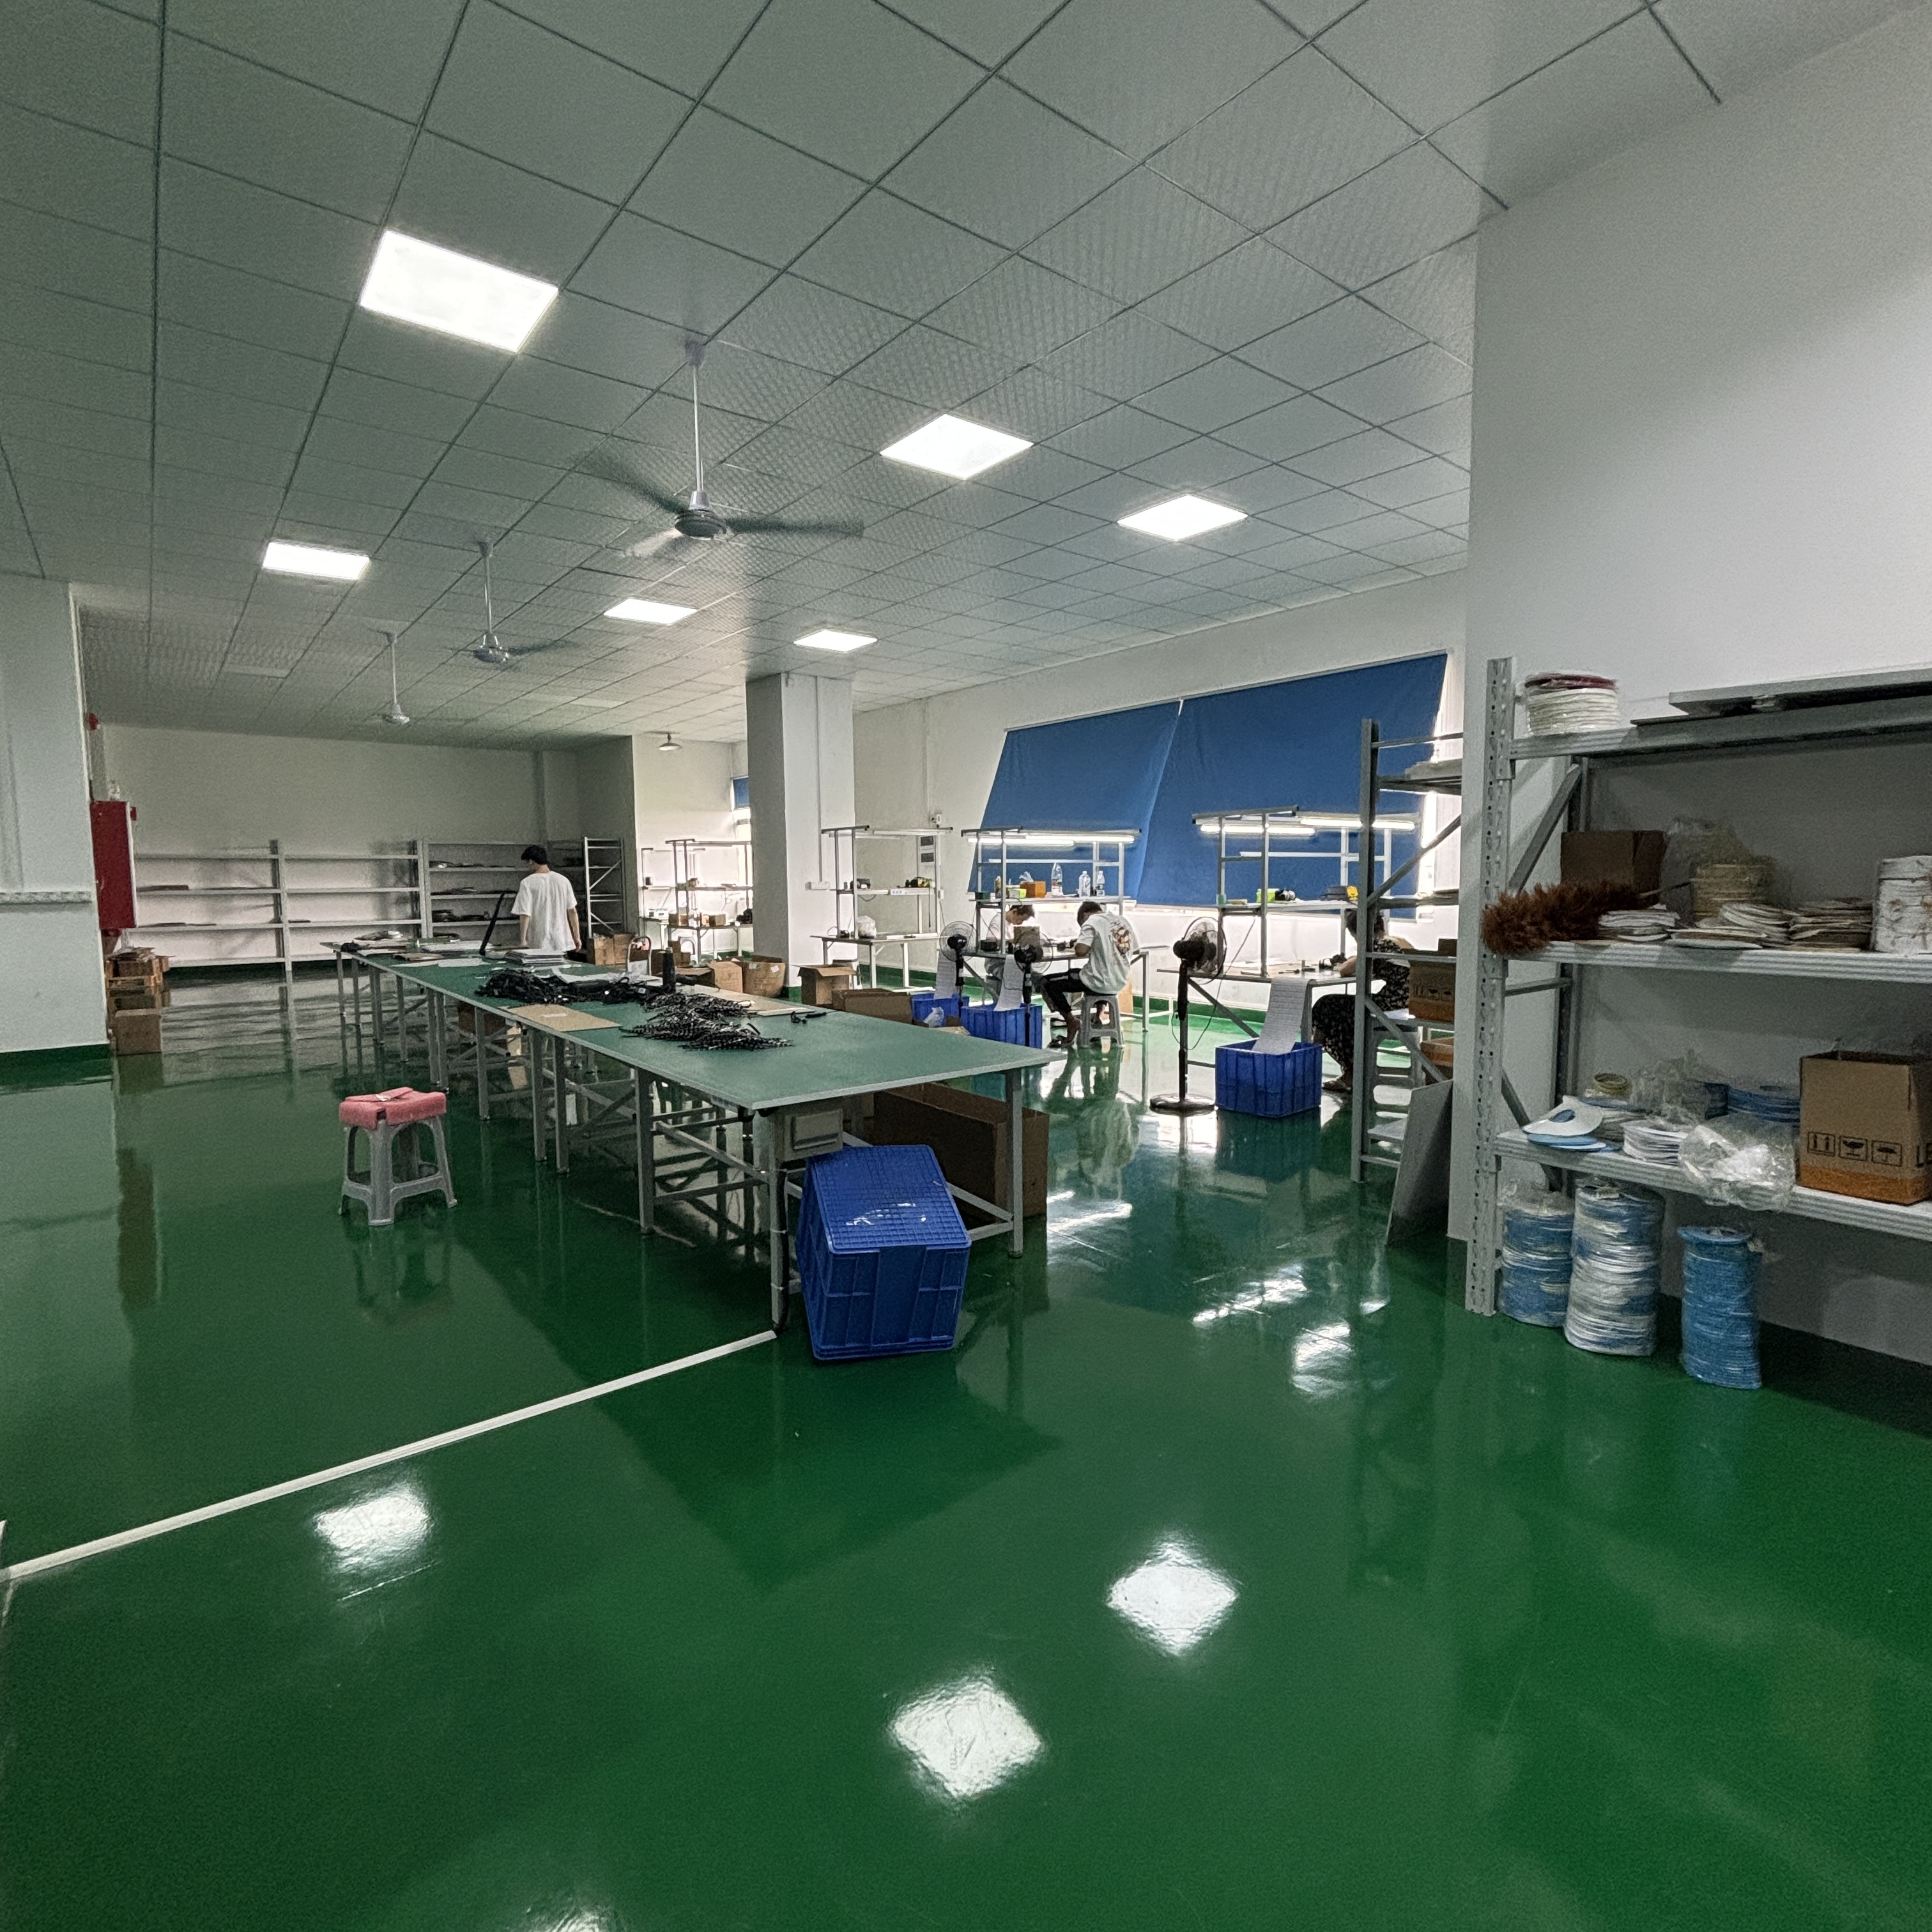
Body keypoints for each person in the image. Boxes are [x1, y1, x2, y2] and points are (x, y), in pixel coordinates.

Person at [1308, 907, 1413, 1096]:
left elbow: (1345, 970)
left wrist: (1355, 955)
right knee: (1345, 1007)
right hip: (1408, 1003)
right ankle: (1343, 1066)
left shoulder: (1378, 944)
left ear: (1359, 933)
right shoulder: (1399, 941)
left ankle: (1318, 1062)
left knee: (1327, 1005)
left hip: (1393, 1005)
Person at [1036, 900, 1136, 1046]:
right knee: (1093, 971)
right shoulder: (1122, 921)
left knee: (1047, 982)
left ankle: (1071, 1021)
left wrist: (1082, 942)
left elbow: (1081, 951)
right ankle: (1098, 1017)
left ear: (1085, 915)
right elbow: (1135, 949)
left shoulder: (1092, 921)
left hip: (1098, 981)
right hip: (1119, 981)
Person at [512, 844, 580, 956]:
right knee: (561, 966)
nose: (527, 867)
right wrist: (577, 937)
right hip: (561, 940)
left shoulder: (527, 883)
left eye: (526, 863)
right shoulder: (564, 881)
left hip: (539, 940)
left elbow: (525, 913)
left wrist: (523, 940)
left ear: (531, 861)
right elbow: (572, 911)